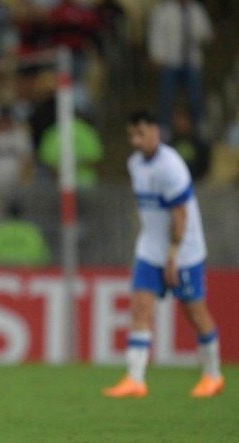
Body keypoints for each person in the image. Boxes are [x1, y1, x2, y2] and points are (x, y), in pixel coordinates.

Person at [103, 111, 223, 399]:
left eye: (141, 134)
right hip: (150, 247)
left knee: (194, 312)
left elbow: (179, 215)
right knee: (140, 306)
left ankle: (213, 374)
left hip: (184, 250)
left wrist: (173, 255)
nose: (136, 140)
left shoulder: (171, 167)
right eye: (132, 135)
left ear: (155, 132)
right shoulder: (135, 164)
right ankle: (135, 379)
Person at [149, 0, 213, 140]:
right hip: (170, 61)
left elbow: (207, 33)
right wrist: (157, 55)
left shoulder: (196, 9)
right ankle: (164, 128)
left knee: (195, 96)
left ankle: (200, 126)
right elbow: (156, 33)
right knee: (167, 96)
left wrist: (201, 34)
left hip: (191, 61)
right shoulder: (164, 10)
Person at [0, 200, 50, 266]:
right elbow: (43, 255)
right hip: (27, 270)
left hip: (2, 271)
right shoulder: (31, 230)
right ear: (22, 213)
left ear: (6, 213)